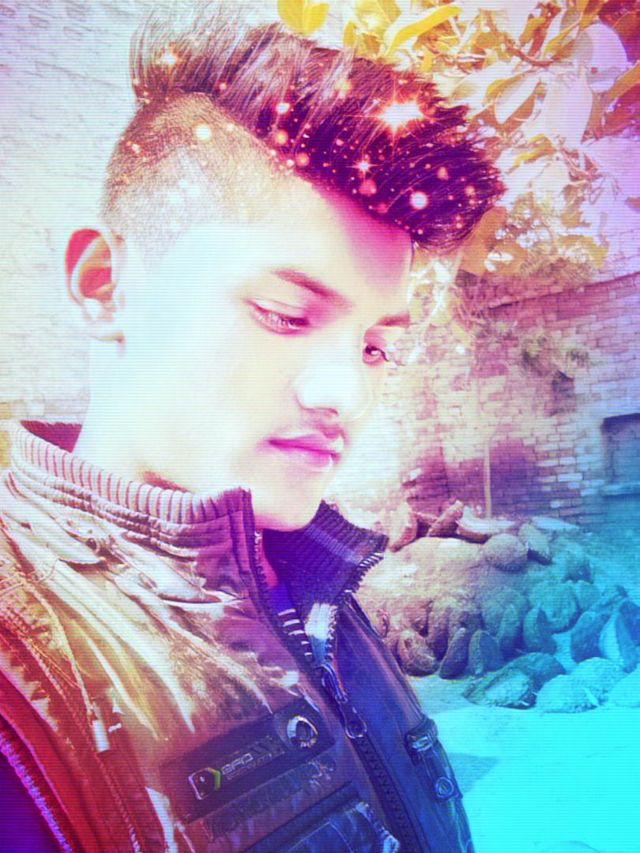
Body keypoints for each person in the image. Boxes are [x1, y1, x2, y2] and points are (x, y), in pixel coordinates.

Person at [0, 2, 502, 850]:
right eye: (283, 314)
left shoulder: (318, 580)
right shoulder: (22, 679)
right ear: (104, 284)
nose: (344, 393)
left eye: (377, 348)